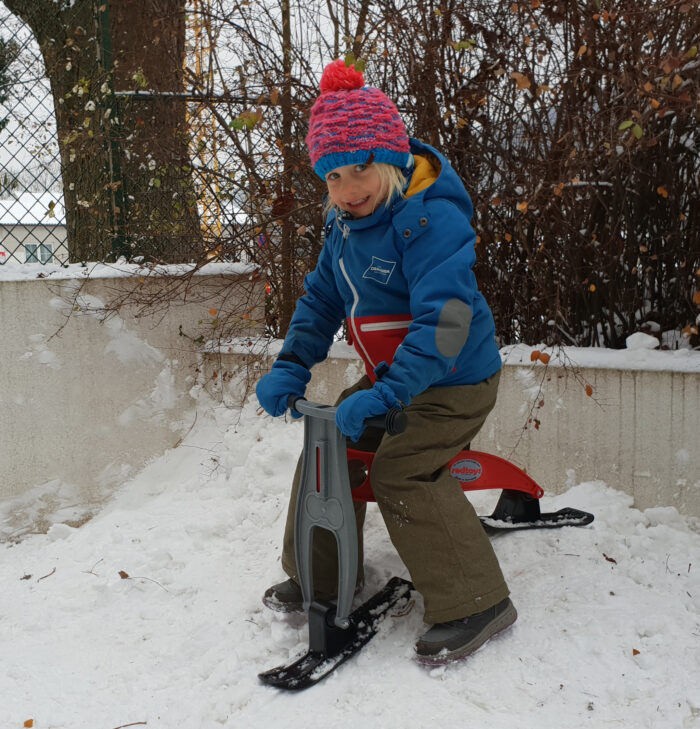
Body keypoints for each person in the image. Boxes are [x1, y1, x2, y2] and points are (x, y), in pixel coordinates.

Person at [255, 58, 516, 665]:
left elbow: (447, 324)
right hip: (394, 380)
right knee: (328, 444)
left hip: (453, 382)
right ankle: (322, 576)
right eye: (334, 176)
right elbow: (320, 300)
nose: (349, 188)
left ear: (392, 157)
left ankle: (477, 600)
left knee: (402, 468)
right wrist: (292, 365)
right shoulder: (344, 227)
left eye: (362, 167)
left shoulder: (431, 221)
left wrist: (393, 394)